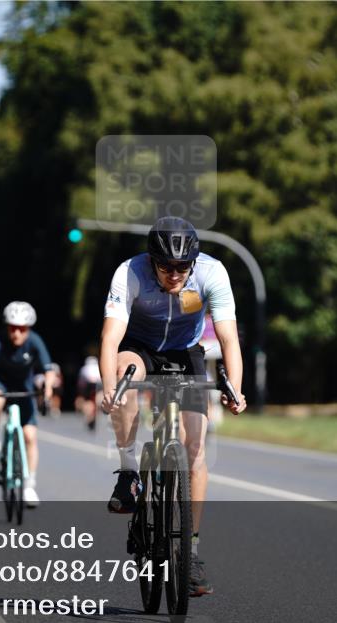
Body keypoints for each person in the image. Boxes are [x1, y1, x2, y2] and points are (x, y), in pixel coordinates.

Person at [100, 216, 247, 597]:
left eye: (183, 267)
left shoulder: (213, 273)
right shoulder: (129, 272)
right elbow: (110, 336)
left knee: (195, 449)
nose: (175, 274)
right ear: (152, 261)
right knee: (125, 373)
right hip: (141, 347)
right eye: (166, 267)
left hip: (187, 353)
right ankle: (129, 471)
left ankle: (192, 550)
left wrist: (235, 388)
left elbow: (229, 338)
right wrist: (109, 388)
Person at [0, 301, 56, 508]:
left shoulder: (35, 341)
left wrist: (47, 389)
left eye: (22, 329)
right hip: (0, 383)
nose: (17, 333)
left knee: (30, 437)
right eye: (13, 328)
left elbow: (49, 371)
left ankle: (29, 485)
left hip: (25, 388)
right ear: (7, 327)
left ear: (28, 329)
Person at [75, 355, 102, 431]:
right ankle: (96, 413)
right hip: (97, 385)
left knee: (88, 402)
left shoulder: (83, 369)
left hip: (87, 386)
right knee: (97, 401)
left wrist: (81, 392)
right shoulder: (98, 368)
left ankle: (89, 416)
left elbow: (80, 382)